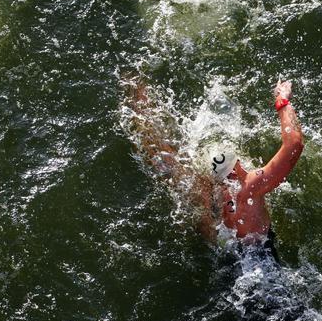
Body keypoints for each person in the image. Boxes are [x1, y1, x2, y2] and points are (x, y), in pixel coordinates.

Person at [128, 78, 305, 257]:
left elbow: (167, 164)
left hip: (228, 258)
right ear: (236, 168)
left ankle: (141, 112)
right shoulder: (249, 187)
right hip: (262, 259)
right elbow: (294, 145)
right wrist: (282, 99)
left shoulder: (208, 196)